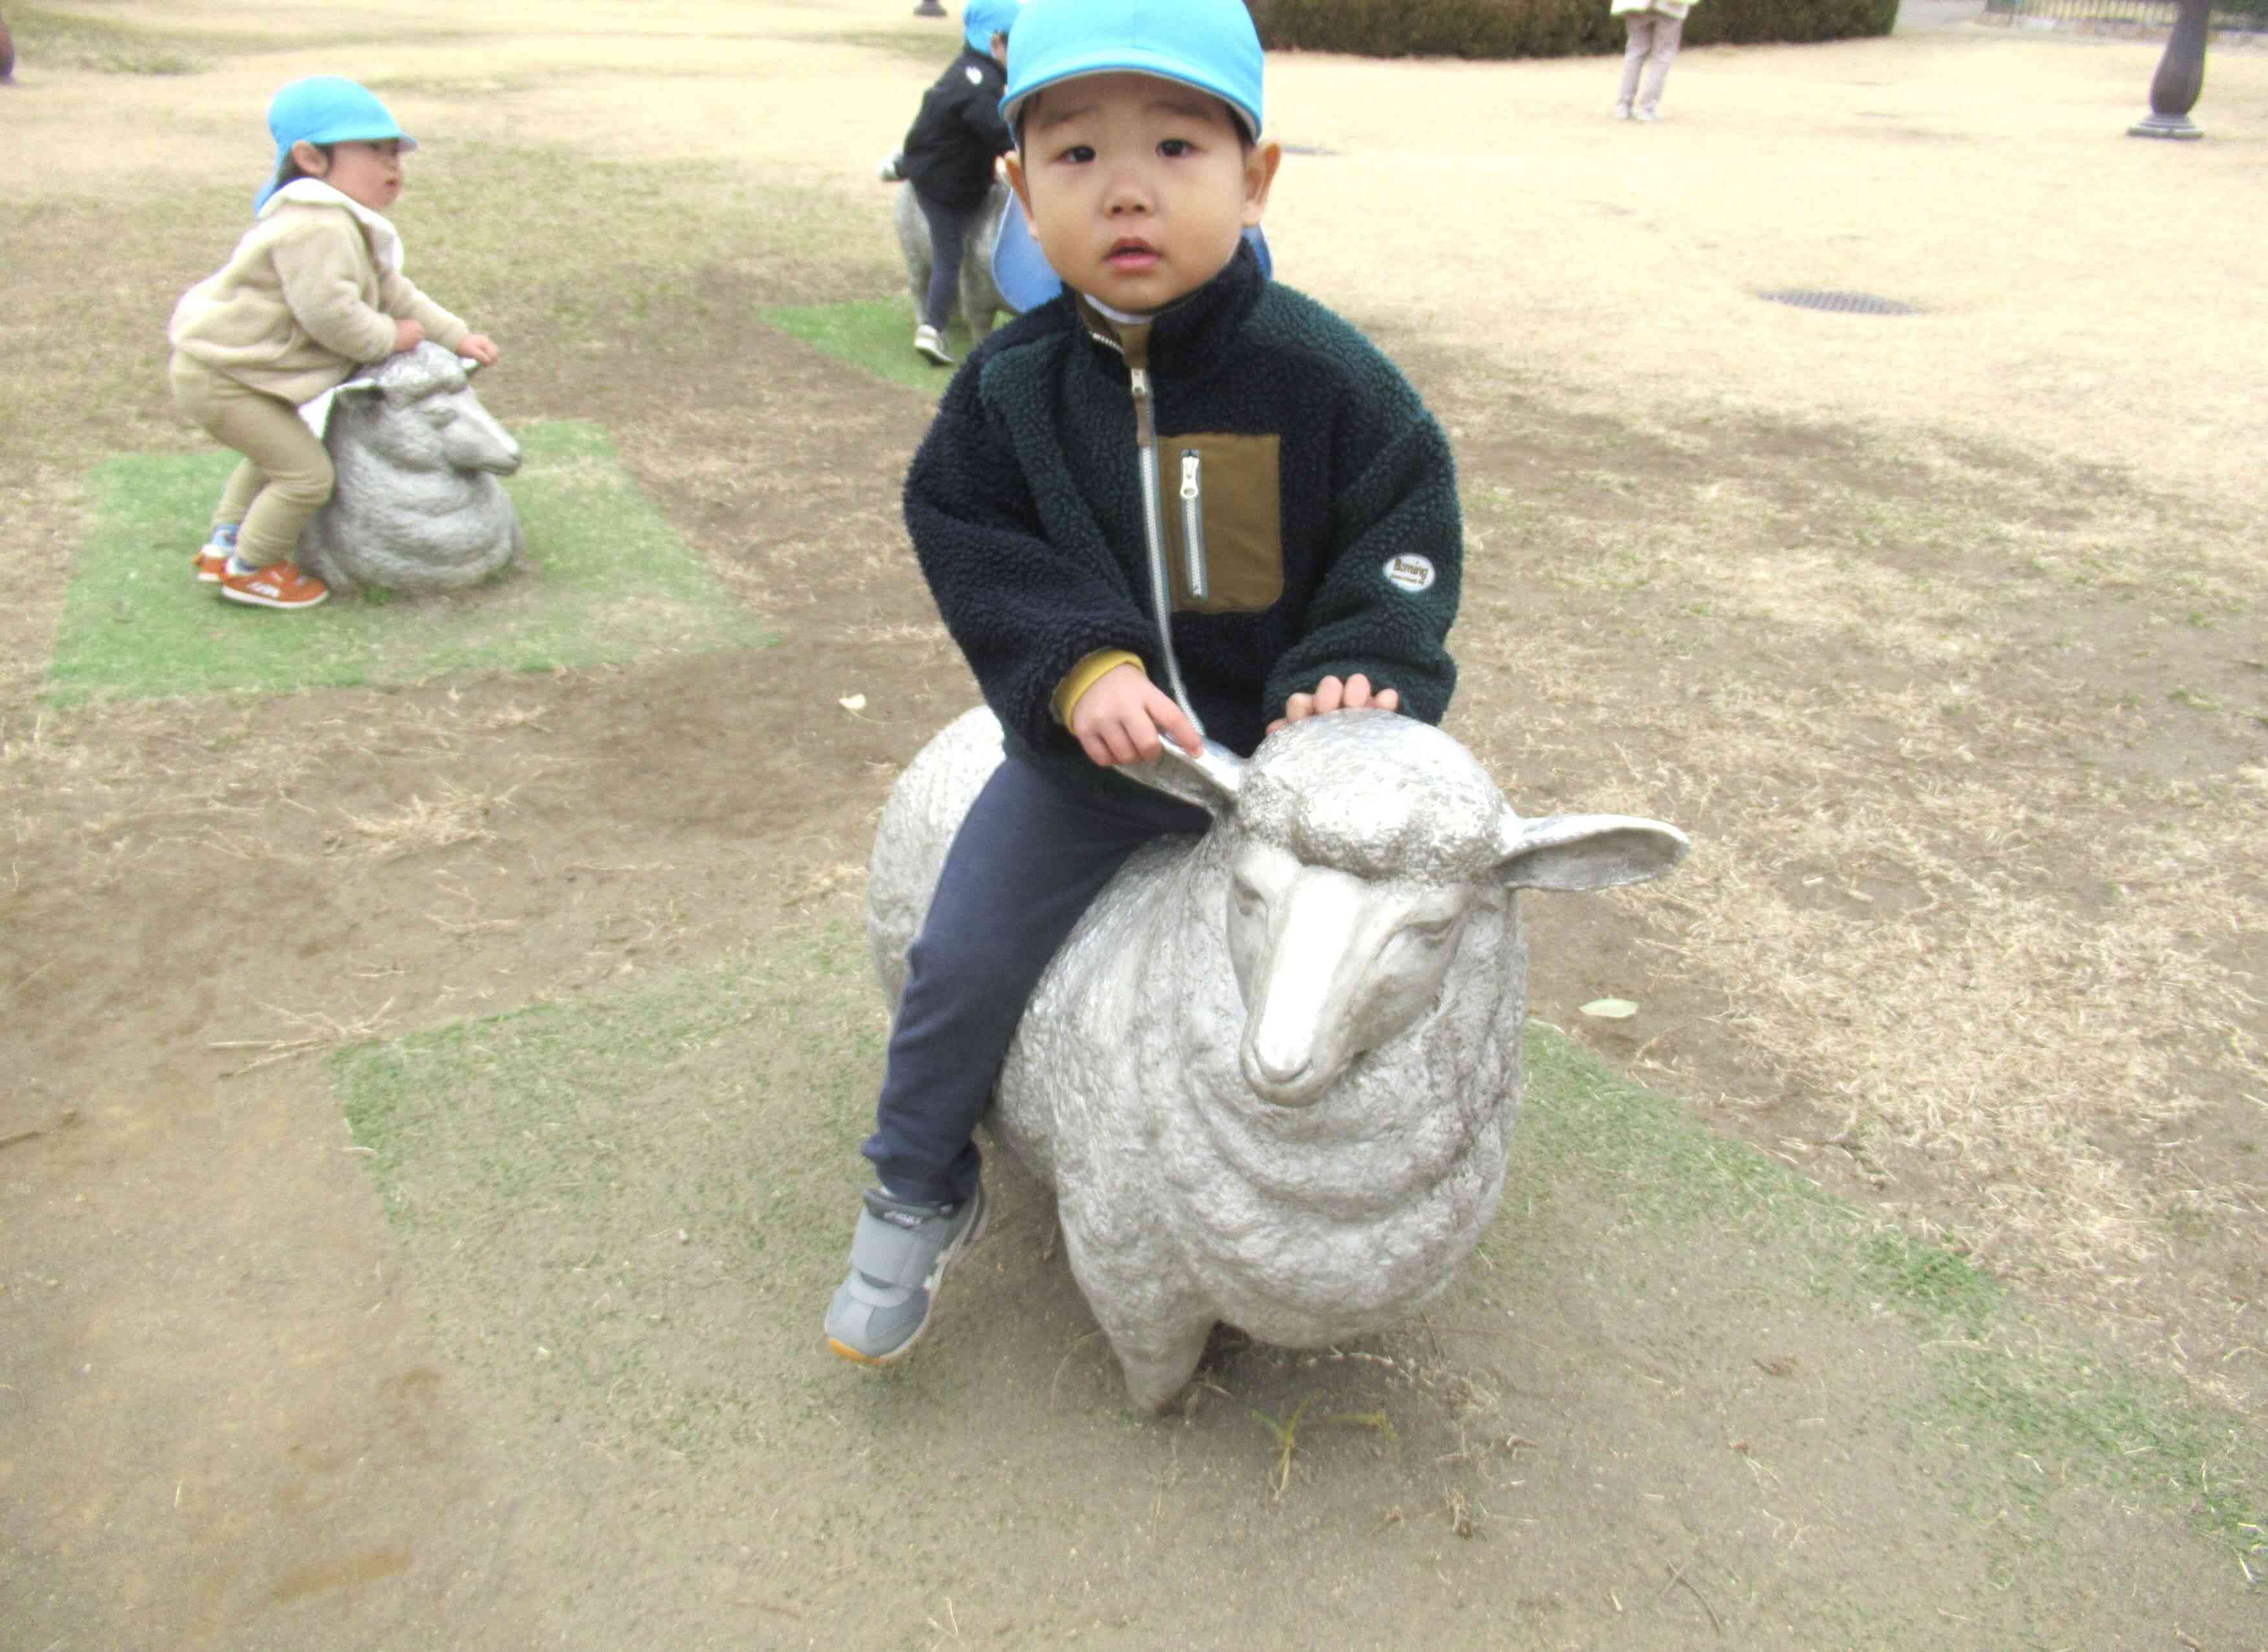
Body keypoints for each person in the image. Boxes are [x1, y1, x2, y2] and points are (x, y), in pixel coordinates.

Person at [824, 0, 1464, 1368]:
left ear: (1255, 177)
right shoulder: (1005, 393)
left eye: (1176, 148)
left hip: (1288, 780)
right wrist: (1078, 668)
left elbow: (1400, 525)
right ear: (1018, 192)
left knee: (1404, 944)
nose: (1126, 190)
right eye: (1076, 156)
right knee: (958, 956)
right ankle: (917, 1179)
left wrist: (1360, 662)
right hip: (1098, 775)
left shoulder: (1323, 377)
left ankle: (1388, 1170)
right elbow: (972, 537)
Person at [167, 76, 500, 611]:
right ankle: (253, 568)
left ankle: (224, 544)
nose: (393, 165)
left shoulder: (345, 223)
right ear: (311, 159)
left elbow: (396, 292)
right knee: (305, 476)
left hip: (235, 375)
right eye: (374, 149)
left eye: (395, 152)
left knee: (275, 454)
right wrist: (390, 337)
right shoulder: (314, 226)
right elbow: (329, 315)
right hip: (224, 379)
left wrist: (455, 334)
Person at [883, 0, 1021, 366]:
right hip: (943, 188)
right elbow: (998, 132)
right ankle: (931, 328)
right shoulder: (979, 85)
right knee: (949, 254)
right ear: (996, 43)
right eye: (1016, 43)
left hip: (948, 165)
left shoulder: (974, 69)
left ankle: (903, 163)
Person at [1610, 0, 1695, 122]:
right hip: (1670, 6)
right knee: (1662, 56)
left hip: (1635, 4)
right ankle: (1647, 109)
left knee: (1635, 52)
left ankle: (1623, 106)